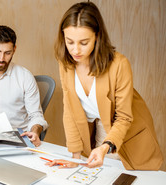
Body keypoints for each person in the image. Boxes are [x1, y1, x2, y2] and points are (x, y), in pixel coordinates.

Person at [50, 2, 164, 170]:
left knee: (123, 181)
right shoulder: (65, 62)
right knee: (98, 175)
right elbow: (70, 110)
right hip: (97, 124)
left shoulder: (119, 64)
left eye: (83, 42)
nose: (75, 50)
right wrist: (75, 155)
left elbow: (124, 117)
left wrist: (105, 147)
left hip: (123, 129)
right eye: (70, 41)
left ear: (97, 36)